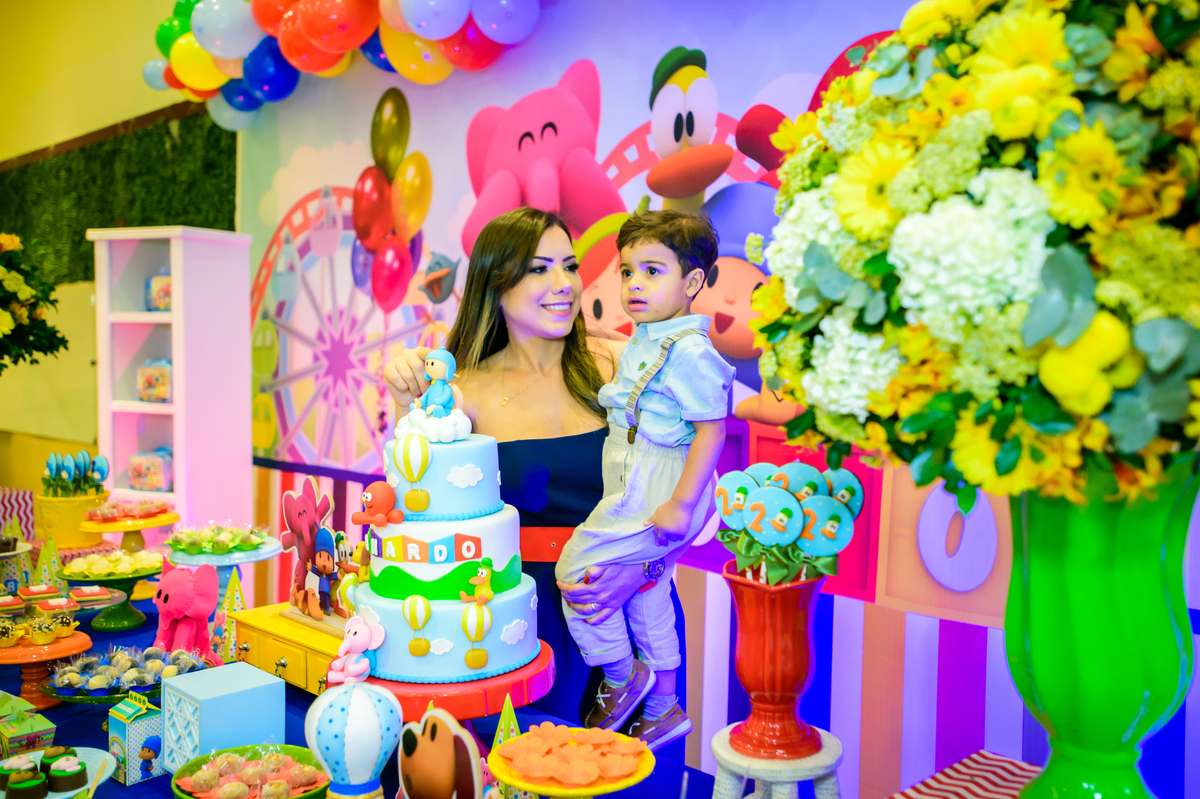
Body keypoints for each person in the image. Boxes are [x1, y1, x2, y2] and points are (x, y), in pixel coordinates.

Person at [383, 207, 699, 758]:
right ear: (495, 285)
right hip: (518, 618)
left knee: (636, 779)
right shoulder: (460, 392)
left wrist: (641, 569)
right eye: (538, 269)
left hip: (630, 601)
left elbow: (691, 488)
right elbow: (417, 505)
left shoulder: (622, 365)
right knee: (535, 774)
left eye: (569, 266)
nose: (564, 284)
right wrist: (404, 403)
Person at [556, 211, 731, 749]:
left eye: (653, 271)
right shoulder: (651, 338)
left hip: (657, 484)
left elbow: (712, 430)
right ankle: (662, 707)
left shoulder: (690, 351)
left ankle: (619, 674)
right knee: (647, 594)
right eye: (628, 271)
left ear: (692, 282)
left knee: (577, 573)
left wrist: (681, 504)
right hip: (643, 478)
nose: (634, 284)